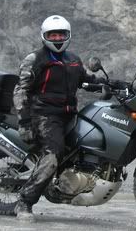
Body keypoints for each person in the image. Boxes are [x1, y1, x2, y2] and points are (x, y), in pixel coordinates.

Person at [12, 14, 101, 220]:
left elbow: (87, 81)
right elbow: (21, 90)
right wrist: (25, 122)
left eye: (61, 35)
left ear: (68, 35)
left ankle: (68, 184)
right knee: (53, 154)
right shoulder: (35, 59)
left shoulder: (73, 60)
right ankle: (25, 202)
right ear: (45, 36)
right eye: (53, 35)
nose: (58, 38)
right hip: (43, 115)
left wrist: (109, 85)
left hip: (68, 114)